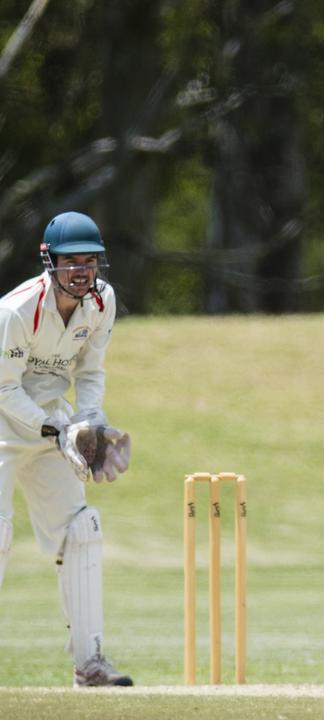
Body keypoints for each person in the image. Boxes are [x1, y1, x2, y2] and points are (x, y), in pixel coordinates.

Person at [0, 211, 133, 687]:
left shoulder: (102, 302)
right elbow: (4, 390)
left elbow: (91, 373)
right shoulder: (16, 310)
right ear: (48, 261)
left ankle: (90, 663)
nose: (82, 270)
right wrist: (60, 430)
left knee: (82, 529)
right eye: (70, 260)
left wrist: (91, 423)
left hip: (51, 422)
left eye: (90, 260)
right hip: (3, 423)